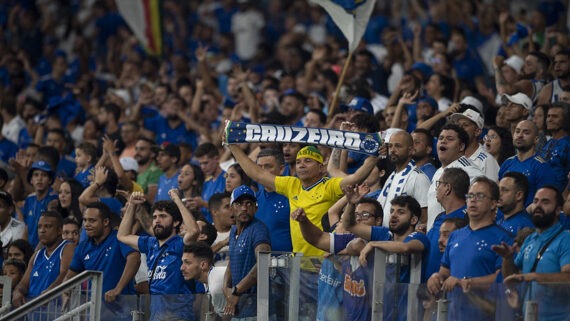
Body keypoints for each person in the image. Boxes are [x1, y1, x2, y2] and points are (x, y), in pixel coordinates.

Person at [229, 139, 377, 256]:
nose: (301, 165)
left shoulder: (329, 186)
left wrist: (375, 155)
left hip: (324, 260)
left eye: (308, 161)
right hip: (299, 262)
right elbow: (257, 174)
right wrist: (232, 146)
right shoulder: (291, 184)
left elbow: (356, 177)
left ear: (321, 167)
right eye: (298, 162)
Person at [427, 177, 513, 321]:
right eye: (470, 196)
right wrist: (436, 277)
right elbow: (445, 271)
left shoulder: (503, 238)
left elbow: (503, 278)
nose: (473, 200)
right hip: (453, 314)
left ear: (493, 204)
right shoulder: (456, 235)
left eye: (479, 196)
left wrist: (466, 282)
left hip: (486, 314)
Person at [118, 190, 200, 320]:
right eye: (155, 217)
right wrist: (132, 205)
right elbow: (122, 235)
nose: (157, 220)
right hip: (156, 316)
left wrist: (177, 200)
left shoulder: (181, 244)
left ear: (176, 222)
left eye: (163, 216)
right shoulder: (150, 244)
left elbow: (194, 230)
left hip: (179, 316)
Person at [494, 186, 570, 321]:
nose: (538, 206)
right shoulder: (530, 239)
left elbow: (568, 278)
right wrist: (507, 258)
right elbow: (514, 277)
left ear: (558, 210)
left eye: (545, 202)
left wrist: (535, 277)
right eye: (536, 201)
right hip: (529, 316)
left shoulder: (566, 240)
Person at [65, 202, 140, 318]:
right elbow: (70, 276)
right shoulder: (82, 247)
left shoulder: (119, 238)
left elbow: (134, 258)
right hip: (96, 313)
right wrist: (65, 291)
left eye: (92, 220)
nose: (87, 225)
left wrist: (117, 289)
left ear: (105, 222)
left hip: (123, 312)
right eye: (84, 220)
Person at [223, 185, 271, 319]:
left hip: (255, 308)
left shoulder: (258, 229)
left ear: (255, 208)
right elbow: (232, 260)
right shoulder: (233, 231)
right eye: (239, 204)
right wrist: (225, 287)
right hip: (239, 305)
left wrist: (236, 290)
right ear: (231, 208)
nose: (244, 208)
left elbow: (263, 263)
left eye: (249, 204)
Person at [426, 124, 483, 230]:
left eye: (450, 139)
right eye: (441, 138)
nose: (443, 141)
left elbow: (481, 204)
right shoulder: (439, 171)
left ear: (461, 146)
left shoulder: (470, 171)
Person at [12, 211, 74, 306]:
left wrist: (49, 291)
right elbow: (24, 284)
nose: (42, 230)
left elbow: (65, 274)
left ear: (60, 230)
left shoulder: (67, 247)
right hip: (32, 310)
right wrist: (17, 291)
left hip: (55, 309)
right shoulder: (36, 255)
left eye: (48, 226)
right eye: (39, 227)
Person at [377, 130, 430, 226]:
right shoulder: (392, 177)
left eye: (398, 146)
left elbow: (424, 219)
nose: (392, 150)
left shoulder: (419, 178)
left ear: (411, 151)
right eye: (390, 146)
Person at [499, 120, 556, 205]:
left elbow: (545, 200)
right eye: (517, 131)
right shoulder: (507, 163)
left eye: (526, 133)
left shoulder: (542, 166)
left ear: (536, 139)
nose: (520, 135)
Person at [425, 168, 469, 277]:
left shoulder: (467, 218)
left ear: (447, 188)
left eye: (439, 184)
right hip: (428, 285)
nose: (436, 188)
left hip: (449, 287)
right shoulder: (439, 217)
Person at [254, 149, 292, 252]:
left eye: (267, 166)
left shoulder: (292, 197)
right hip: (259, 265)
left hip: (290, 263)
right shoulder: (253, 200)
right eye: (259, 167)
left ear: (281, 169)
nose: (262, 171)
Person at [449, 108, 500, 180]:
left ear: (477, 131)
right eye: (458, 125)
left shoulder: (487, 160)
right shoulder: (452, 155)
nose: (459, 128)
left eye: (465, 125)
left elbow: (492, 189)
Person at [22, 161, 59, 247]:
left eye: (44, 175)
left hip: (45, 248)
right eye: (36, 175)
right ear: (31, 180)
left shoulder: (54, 199)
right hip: (30, 248)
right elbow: (27, 227)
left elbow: (52, 230)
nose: (39, 178)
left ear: (50, 180)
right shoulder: (29, 199)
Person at [538, 102, 570, 192]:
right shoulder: (548, 143)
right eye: (548, 116)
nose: (549, 119)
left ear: (566, 120)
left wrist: (565, 196)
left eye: (555, 117)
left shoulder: (568, 144)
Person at [180, 241, 215, 319]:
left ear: (203, 265)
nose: (182, 268)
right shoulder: (207, 283)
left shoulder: (218, 282)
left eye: (187, 263)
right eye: (182, 263)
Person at [194, 142, 226, 223]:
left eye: (205, 163)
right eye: (200, 164)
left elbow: (227, 208)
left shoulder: (227, 179)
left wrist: (203, 204)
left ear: (216, 159)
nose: (203, 167)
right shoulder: (206, 183)